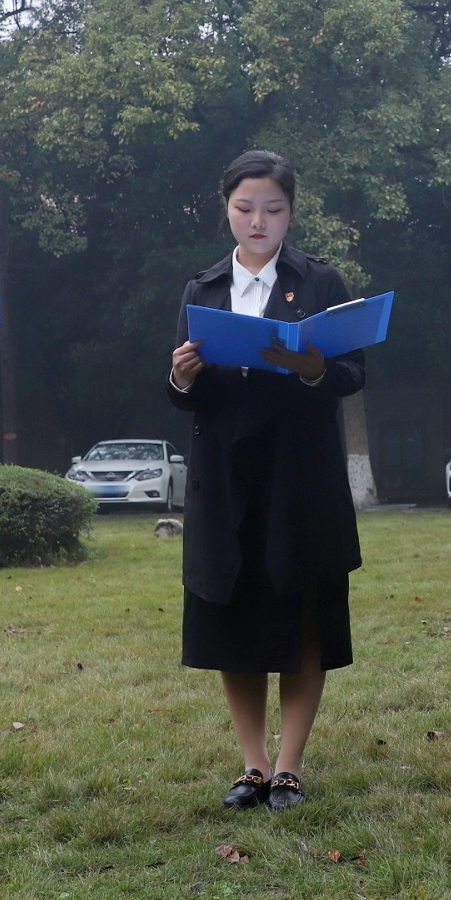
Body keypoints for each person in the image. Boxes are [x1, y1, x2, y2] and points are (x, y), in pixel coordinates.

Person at [168, 150, 366, 813]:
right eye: (245, 208)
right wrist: (181, 377)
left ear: (291, 213)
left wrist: (314, 367)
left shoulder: (319, 281)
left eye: (273, 209)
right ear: (226, 209)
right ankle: (252, 764)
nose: (259, 221)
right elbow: (182, 392)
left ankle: (288, 767)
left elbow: (352, 371)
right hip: (225, 481)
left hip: (300, 478)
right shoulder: (202, 288)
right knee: (234, 621)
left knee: (303, 618)